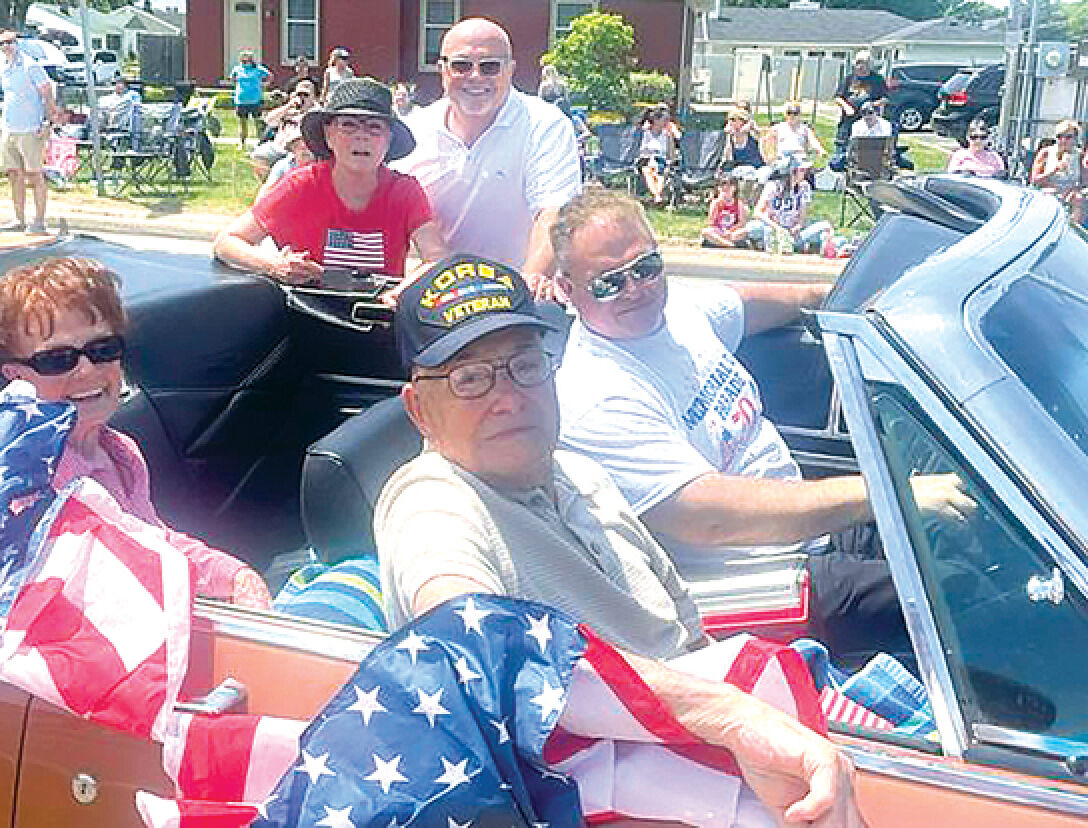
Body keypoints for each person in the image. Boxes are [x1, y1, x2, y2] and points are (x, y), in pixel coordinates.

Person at [375, 253, 867, 828]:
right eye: (471, 379)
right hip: (625, 775)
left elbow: (683, 620)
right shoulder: (433, 500)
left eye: (526, 366)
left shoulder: (579, 472)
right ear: (418, 410)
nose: (507, 397)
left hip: (702, 719)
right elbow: (472, 631)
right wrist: (732, 717)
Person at [550, 189, 975, 659]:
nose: (636, 289)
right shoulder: (594, 394)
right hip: (760, 583)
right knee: (960, 600)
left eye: (646, 267)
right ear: (566, 291)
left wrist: (836, 297)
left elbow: (749, 304)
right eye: (609, 283)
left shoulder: (678, 312)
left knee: (976, 535)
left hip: (806, 529)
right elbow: (709, 518)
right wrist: (887, 492)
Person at [0, 256, 273, 609]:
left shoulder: (120, 451)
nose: (87, 370)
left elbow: (151, 541)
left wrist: (235, 576)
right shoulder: (24, 476)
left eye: (103, 349)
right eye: (57, 359)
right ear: (15, 378)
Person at [392, 17, 581, 300]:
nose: (476, 77)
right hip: (441, 298)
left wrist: (528, 284)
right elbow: (381, 203)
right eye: (461, 65)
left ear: (510, 70)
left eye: (490, 67)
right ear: (442, 69)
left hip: (521, 293)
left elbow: (554, 213)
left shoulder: (546, 124)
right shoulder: (415, 130)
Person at [214, 77, 446, 283]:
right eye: (348, 125)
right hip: (308, 315)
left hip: (378, 318)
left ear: (388, 140)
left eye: (374, 127)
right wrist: (274, 265)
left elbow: (436, 260)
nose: (361, 136)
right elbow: (227, 242)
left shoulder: (405, 191)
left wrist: (404, 290)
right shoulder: (301, 185)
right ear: (329, 135)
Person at [0, 28, 58, 235]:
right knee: (14, 174)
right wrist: (0, 107)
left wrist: (49, 123)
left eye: (10, 42)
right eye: (1, 43)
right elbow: (14, 95)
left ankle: (39, 220)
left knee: (35, 175)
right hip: (9, 127)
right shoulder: (3, 67)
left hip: (31, 128)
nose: (6, 46)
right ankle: (18, 219)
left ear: (17, 42)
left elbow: (47, 94)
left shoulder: (32, 66)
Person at [747, 157, 833, 254]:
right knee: (753, 227)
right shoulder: (773, 186)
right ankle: (773, 243)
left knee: (825, 226)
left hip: (793, 233)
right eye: (801, 170)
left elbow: (802, 216)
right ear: (791, 172)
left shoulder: (805, 187)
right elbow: (757, 213)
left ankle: (806, 247)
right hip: (773, 228)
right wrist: (776, 227)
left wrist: (797, 227)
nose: (804, 173)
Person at [1030, 119, 1085, 225]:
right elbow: (1034, 180)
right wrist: (1054, 170)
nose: (1063, 140)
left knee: (1078, 198)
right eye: (1060, 136)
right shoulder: (1046, 153)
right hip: (1048, 190)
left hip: (1069, 192)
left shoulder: (1079, 156)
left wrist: (1073, 189)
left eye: (1068, 137)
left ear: (1075, 139)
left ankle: (1073, 229)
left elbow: (1084, 182)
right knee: (1050, 194)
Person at [834, 50, 887, 146]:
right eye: (858, 63)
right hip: (848, 121)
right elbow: (838, 97)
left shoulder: (878, 80)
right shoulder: (849, 78)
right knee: (842, 151)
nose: (860, 66)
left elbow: (885, 98)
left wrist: (873, 105)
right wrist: (846, 107)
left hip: (868, 122)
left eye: (863, 63)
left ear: (869, 65)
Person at [634, 103, 680, 206]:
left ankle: (657, 196)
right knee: (648, 170)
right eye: (665, 120)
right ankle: (657, 195)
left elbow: (671, 154)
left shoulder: (667, 135)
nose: (667, 123)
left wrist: (671, 137)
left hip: (660, 161)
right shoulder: (645, 133)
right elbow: (638, 149)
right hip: (645, 159)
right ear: (656, 120)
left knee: (659, 173)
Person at [760, 101, 825, 164]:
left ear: (799, 115)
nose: (792, 116)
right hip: (782, 159)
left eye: (795, 113)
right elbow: (764, 138)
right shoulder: (778, 127)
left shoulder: (805, 129)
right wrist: (767, 156)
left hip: (799, 158)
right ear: (785, 114)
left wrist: (820, 150)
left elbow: (813, 141)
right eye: (789, 113)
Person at [229, 50, 271, 148]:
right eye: (242, 60)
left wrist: (264, 85)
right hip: (241, 100)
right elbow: (232, 78)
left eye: (246, 60)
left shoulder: (258, 69)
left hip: (255, 100)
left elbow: (269, 76)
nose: (244, 62)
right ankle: (242, 143)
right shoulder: (237, 69)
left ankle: (261, 143)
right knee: (242, 123)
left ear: (251, 60)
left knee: (258, 123)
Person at [700, 172, 749, 248]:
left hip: (732, 231)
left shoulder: (739, 203)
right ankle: (728, 244)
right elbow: (711, 223)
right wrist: (720, 203)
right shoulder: (715, 203)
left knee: (744, 231)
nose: (726, 188)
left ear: (734, 188)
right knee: (706, 232)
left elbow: (742, 222)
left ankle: (721, 243)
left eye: (729, 185)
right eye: (723, 185)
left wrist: (730, 230)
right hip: (718, 231)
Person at [721, 105, 764, 174]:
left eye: (737, 120)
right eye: (732, 120)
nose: (733, 123)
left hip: (756, 169)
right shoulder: (730, 137)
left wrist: (750, 125)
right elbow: (727, 157)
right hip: (739, 170)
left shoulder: (752, 134)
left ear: (743, 121)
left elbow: (761, 133)